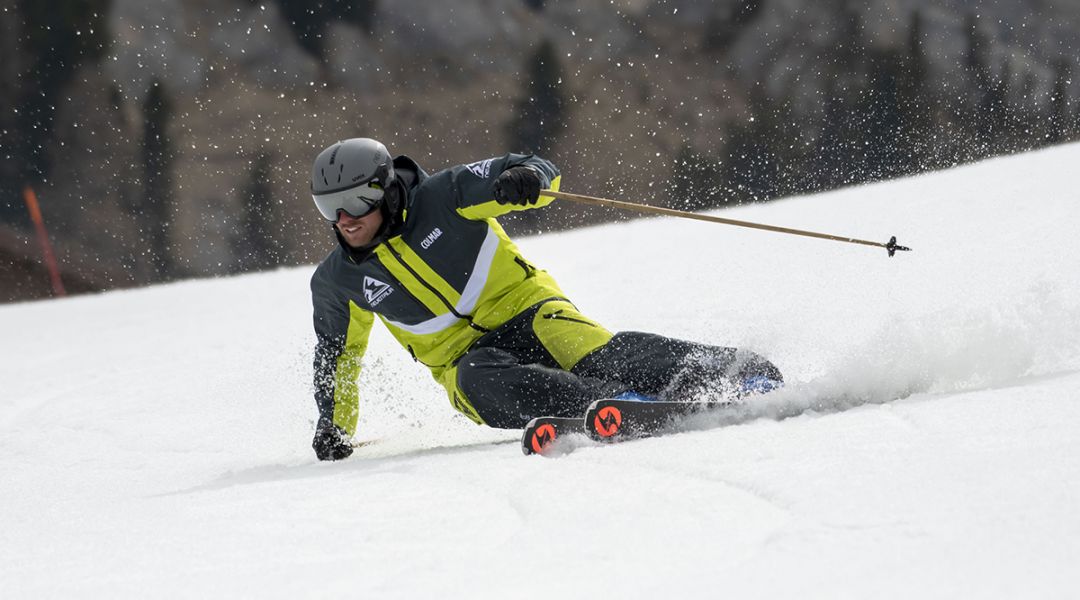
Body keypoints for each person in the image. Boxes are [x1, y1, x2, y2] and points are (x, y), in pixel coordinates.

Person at [308, 138, 782, 460]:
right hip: (462, 362)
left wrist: (526, 178)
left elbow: (535, 169)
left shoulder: (445, 196)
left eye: (356, 201)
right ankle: (611, 404)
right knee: (476, 378)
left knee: (595, 352)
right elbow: (337, 356)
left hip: (530, 311)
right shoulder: (337, 281)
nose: (344, 219)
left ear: (387, 189)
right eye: (330, 207)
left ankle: (733, 370)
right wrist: (335, 426)